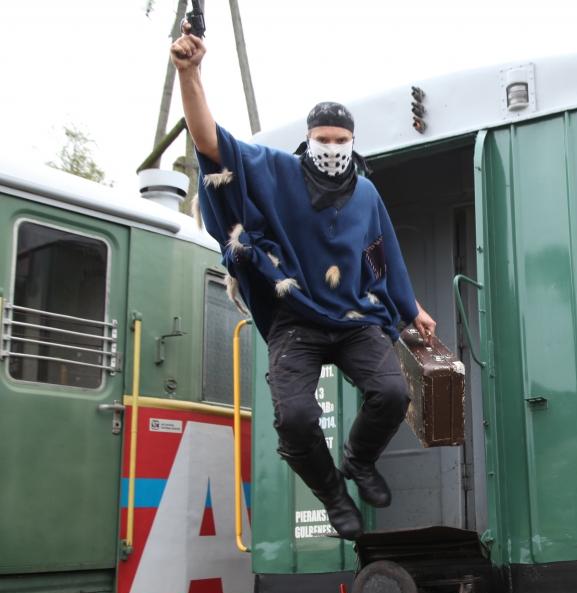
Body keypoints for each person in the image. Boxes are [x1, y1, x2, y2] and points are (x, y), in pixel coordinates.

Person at [171, 25, 435, 540]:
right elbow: (209, 141)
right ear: (309, 141)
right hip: (296, 319)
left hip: (355, 319)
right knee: (293, 418)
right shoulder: (276, 170)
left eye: (341, 141)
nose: (332, 148)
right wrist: (191, 73)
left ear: (353, 142)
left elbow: (382, 262)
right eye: (323, 140)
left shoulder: (367, 196)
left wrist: (411, 309)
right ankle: (333, 493)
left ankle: (359, 462)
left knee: (391, 392)